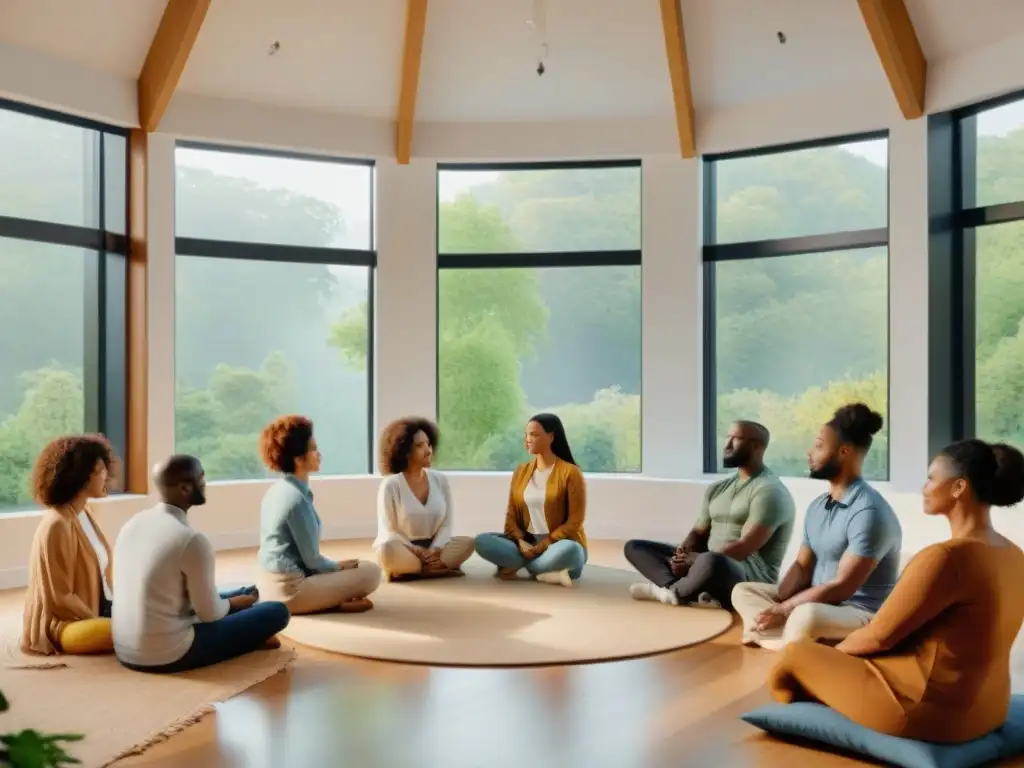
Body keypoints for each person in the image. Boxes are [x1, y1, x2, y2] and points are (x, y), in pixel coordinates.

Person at [768, 440, 1024, 744]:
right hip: (990, 709)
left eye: (931, 478)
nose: (924, 488)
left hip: (934, 717)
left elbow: (879, 636)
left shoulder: (947, 558)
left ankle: (801, 717)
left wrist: (831, 657)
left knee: (795, 654)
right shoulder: (1014, 554)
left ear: (958, 487)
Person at [732, 403, 902, 650]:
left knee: (807, 616)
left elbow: (843, 586)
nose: (810, 452)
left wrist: (787, 608)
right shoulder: (818, 506)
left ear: (843, 452)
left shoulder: (869, 512)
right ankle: (785, 638)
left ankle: (776, 637)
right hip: (819, 602)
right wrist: (778, 600)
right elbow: (803, 565)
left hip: (857, 612)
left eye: (820, 446)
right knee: (744, 590)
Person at [112, 455, 290, 673]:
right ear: (185, 488)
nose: (206, 484)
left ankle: (245, 614)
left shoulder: (133, 523)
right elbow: (209, 614)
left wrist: (235, 599)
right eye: (202, 478)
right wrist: (233, 604)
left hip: (125, 650)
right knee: (276, 611)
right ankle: (250, 639)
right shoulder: (191, 540)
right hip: (169, 654)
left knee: (245, 591)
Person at [625, 421, 795, 609]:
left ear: (756, 446)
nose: (727, 444)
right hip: (703, 563)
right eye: (727, 437)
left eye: (736, 439)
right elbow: (698, 532)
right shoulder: (718, 488)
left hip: (743, 575)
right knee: (635, 547)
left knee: (713, 560)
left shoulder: (769, 491)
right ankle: (682, 589)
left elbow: (743, 548)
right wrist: (682, 554)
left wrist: (695, 560)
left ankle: (675, 591)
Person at [256, 415, 380, 613]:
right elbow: (312, 561)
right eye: (313, 449)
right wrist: (338, 567)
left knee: (349, 566)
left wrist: (334, 566)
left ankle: (331, 599)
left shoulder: (277, 490)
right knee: (371, 571)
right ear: (298, 459)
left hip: (267, 585)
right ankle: (331, 602)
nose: (319, 453)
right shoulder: (296, 499)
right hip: (290, 592)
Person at [21, 435, 119, 656]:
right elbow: (61, 598)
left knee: (154, 615)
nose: (106, 476)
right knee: (131, 632)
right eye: (100, 471)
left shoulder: (84, 513)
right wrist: (96, 621)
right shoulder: (57, 524)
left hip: (98, 610)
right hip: (65, 625)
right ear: (81, 477)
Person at [474, 413, 587, 587]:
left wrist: (544, 545)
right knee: (482, 541)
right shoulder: (521, 471)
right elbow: (511, 516)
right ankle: (543, 571)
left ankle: (524, 566)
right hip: (527, 543)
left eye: (534, 435)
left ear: (551, 437)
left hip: (558, 544)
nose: (527, 440)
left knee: (572, 551)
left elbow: (575, 521)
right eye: (526, 435)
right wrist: (520, 542)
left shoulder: (571, 473)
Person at [374, 417, 475, 580]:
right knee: (386, 550)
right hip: (404, 547)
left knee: (469, 543)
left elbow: (446, 524)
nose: (428, 451)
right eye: (420, 446)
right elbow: (389, 530)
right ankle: (437, 568)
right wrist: (418, 551)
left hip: (435, 548)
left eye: (429, 444)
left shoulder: (440, 480)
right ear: (404, 450)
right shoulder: (391, 485)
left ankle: (415, 570)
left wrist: (434, 549)